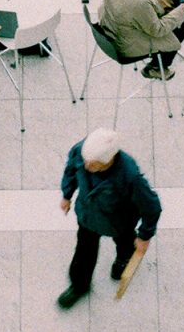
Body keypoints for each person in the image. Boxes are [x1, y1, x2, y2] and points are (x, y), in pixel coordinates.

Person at [57, 128, 162, 309]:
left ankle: (122, 262)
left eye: (94, 164)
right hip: (88, 216)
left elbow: (151, 206)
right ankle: (79, 285)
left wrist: (145, 236)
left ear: (109, 161)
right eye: (86, 161)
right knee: (83, 251)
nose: (87, 166)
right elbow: (71, 171)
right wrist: (67, 195)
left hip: (119, 222)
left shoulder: (130, 176)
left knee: (125, 244)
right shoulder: (82, 152)